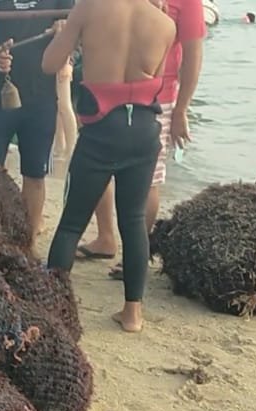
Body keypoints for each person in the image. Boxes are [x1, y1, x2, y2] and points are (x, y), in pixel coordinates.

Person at [42, 0, 173, 333]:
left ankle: (55, 306)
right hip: (144, 130)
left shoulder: (89, 7)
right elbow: (153, 79)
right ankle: (132, 314)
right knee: (132, 221)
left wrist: (67, 35)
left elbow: (49, 64)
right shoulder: (164, 23)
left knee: (73, 222)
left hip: (102, 129)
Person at [92, 0, 205, 278]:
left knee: (148, 179)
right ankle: (105, 236)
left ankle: (135, 255)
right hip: (108, 90)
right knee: (96, 170)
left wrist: (181, 109)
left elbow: (193, 55)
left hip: (158, 99)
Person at [0, 0, 74, 244]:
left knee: (35, 174)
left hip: (41, 96)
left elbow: (73, 30)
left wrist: (64, 32)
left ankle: (27, 241)